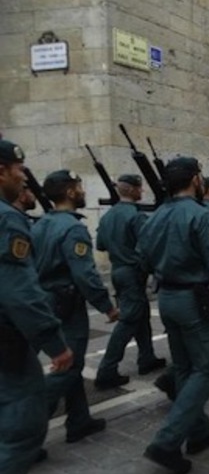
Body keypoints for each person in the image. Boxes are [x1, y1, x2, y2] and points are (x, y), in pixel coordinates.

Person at [137, 157, 209, 474]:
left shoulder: (154, 217)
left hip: (168, 298)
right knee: (208, 368)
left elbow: (141, 259)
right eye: (199, 176)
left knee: (184, 366)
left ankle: (198, 431)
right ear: (194, 180)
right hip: (196, 301)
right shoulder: (200, 216)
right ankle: (167, 440)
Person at [0, 139, 73, 474]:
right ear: (2, 172)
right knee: (24, 429)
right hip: (7, 343)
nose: (22, 178)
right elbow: (19, 291)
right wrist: (53, 341)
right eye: (18, 170)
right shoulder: (8, 220)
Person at [32, 170, 119, 444]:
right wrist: (106, 306)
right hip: (66, 307)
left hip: (45, 302)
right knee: (68, 367)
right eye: (79, 186)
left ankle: (79, 420)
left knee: (74, 365)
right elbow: (85, 275)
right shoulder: (73, 228)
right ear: (70, 192)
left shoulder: (40, 224)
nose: (82, 191)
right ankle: (25, 433)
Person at [94, 174, 166, 390]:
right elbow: (147, 247)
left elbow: (101, 246)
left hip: (118, 270)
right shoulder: (137, 216)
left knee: (140, 314)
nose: (142, 192)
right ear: (133, 190)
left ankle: (147, 358)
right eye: (140, 188)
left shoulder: (107, 217)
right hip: (133, 272)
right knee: (127, 322)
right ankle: (106, 370)